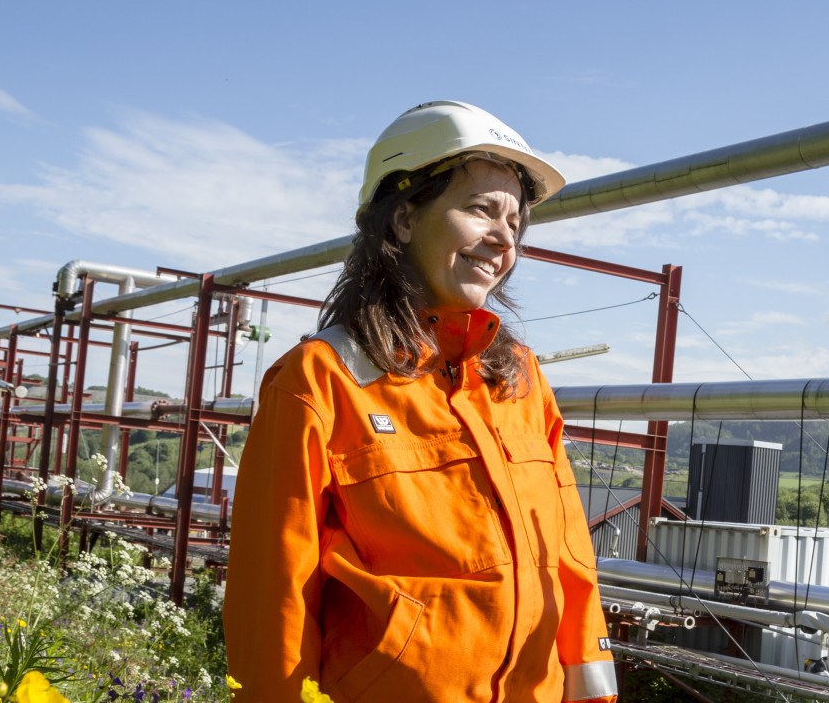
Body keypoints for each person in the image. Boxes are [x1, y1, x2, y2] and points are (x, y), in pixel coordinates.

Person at [225, 101, 617, 703]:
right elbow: (272, 595)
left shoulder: (518, 379)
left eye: (514, 221)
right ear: (404, 219)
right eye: (481, 210)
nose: (502, 238)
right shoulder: (320, 380)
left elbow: (568, 556)